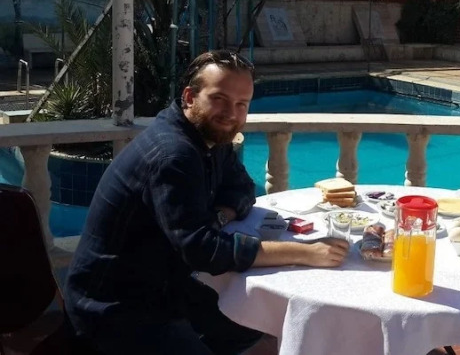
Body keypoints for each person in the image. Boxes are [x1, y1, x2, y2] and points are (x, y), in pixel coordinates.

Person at [64, 50, 350, 355]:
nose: (231, 114)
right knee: (256, 333)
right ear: (190, 97)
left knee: (260, 331)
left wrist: (219, 216)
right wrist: (307, 252)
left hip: (166, 285)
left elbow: (243, 189)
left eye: (241, 104)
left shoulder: (210, 137)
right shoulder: (174, 155)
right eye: (219, 99)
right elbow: (203, 250)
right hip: (115, 310)